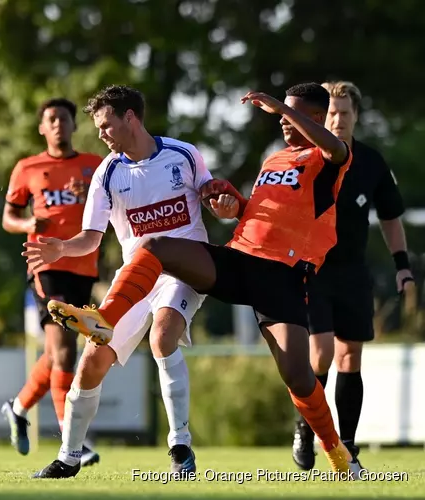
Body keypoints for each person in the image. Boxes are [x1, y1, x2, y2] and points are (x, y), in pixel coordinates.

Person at [31, 83, 359, 475]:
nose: (284, 122)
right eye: (283, 116)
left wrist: (280, 109)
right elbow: (254, 214)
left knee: (299, 377)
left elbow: (335, 150)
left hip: (283, 277)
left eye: (294, 115)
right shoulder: (273, 161)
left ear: (316, 118)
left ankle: (338, 454)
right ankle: (75, 438)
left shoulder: (329, 157)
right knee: (153, 249)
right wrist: (231, 203)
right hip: (239, 260)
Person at [23, 85, 234, 479]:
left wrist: (222, 206)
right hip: (137, 276)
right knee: (92, 360)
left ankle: (180, 447)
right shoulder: (108, 172)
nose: (101, 133)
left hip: (184, 270)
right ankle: (69, 457)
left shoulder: (183, 155)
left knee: (163, 334)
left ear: (130, 118)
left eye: (106, 125)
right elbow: (90, 238)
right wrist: (60, 250)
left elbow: (212, 199)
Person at [292, 81, 416, 473]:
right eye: (330, 113)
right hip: (313, 271)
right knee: (322, 352)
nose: (337, 120)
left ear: (356, 116)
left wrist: (402, 267)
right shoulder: (305, 158)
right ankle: (305, 429)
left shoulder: (372, 162)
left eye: (344, 113)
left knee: (350, 355)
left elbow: (391, 217)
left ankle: (347, 445)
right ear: (319, 117)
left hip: (352, 273)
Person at [0, 98, 103, 466]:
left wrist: (88, 197)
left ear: (75, 125)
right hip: (44, 264)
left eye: (64, 118)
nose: (58, 124)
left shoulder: (95, 167)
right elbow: (9, 218)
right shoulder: (28, 168)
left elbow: (114, 206)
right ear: (42, 128)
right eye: (51, 119)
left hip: (83, 266)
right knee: (64, 352)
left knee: (57, 353)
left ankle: (17, 407)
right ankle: (71, 443)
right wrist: (28, 224)